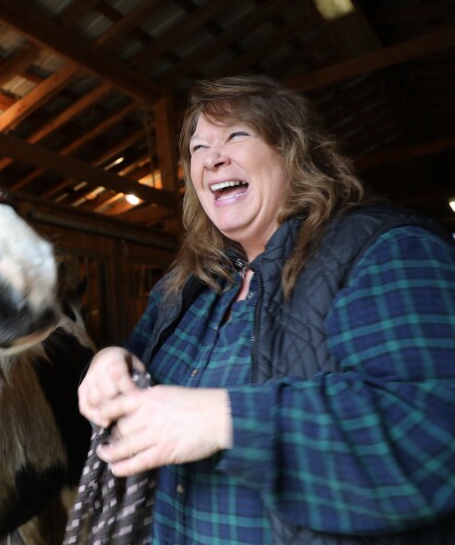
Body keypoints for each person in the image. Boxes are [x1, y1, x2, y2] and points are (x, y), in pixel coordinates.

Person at [78, 75, 455, 544]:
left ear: (292, 150)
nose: (212, 157)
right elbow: (135, 362)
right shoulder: (190, 283)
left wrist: (226, 419)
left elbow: (436, 432)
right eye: (198, 148)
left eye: (236, 135)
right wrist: (108, 361)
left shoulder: (386, 250)